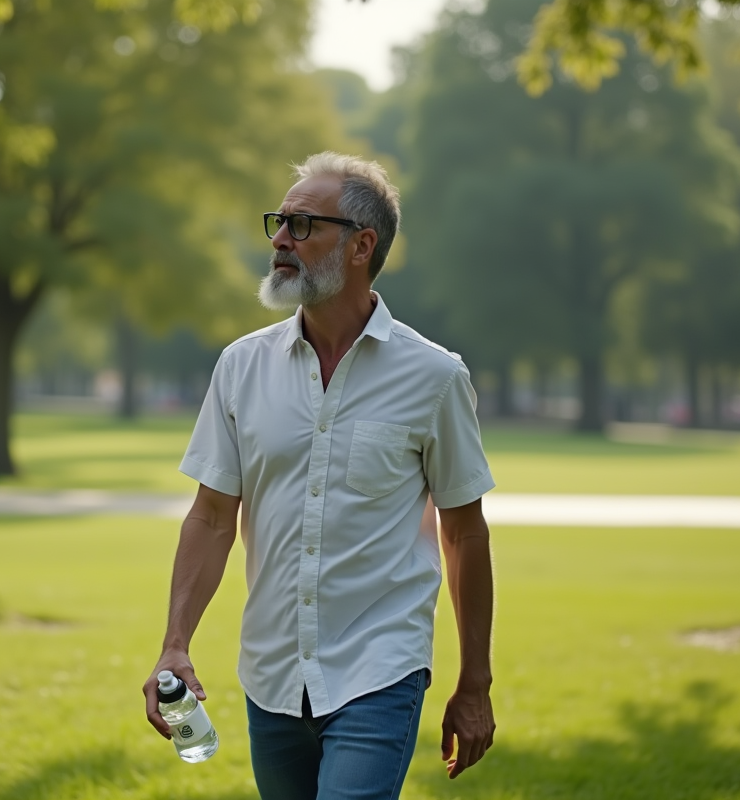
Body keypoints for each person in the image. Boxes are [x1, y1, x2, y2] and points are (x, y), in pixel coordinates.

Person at [142, 152, 497, 799]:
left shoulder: (434, 376)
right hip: (271, 674)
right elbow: (212, 516)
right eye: (279, 222)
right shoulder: (241, 367)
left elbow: (465, 533)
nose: (280, 239)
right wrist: (174, 644)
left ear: (362, 245)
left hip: (380, 668)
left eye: (303, 225)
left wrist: (475, 681)